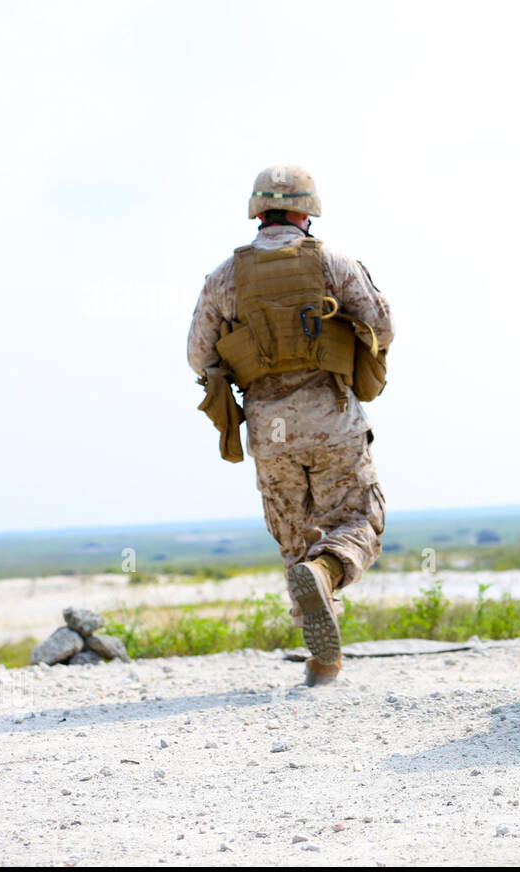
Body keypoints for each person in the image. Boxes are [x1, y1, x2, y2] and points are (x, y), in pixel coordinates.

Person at [188, 165, 392, 686]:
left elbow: (197, 356)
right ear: (307, 211)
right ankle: (326, 574)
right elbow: (383, 325)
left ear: (258, 212)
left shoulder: (223, 278)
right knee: (359, 521)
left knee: (294, 540)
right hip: (332, 422)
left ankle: (323, 660)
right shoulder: (331, 263)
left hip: (269, 432)